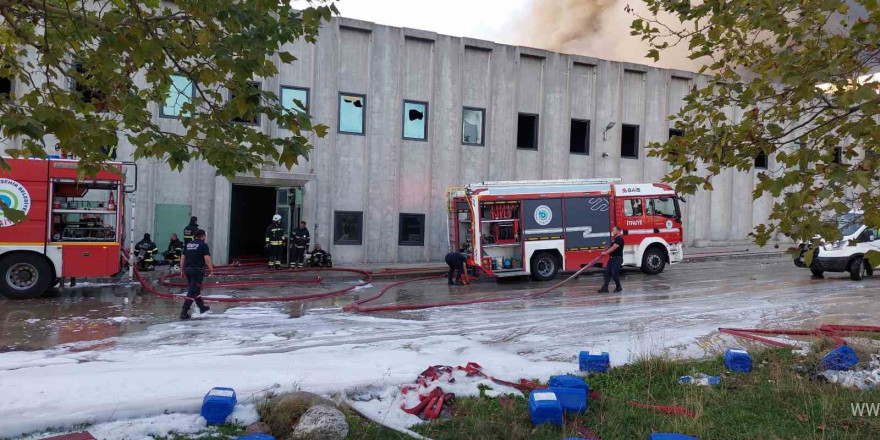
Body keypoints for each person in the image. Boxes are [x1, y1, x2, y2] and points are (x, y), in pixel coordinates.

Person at [179, 229, 213, 320]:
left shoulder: (188, 244)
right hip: (197, 271)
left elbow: (182, 258)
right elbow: (207, 259)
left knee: (195, 289)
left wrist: (182, 270)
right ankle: (184, 311)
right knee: (192, 290)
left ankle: (202, 307)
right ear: (202, 236)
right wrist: (211, 269)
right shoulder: (203, 245)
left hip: (188, 270)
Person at [598, 226, 625, 293]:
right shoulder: (614, 239)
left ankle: (619, 287)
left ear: (618, 231)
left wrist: (605, 253)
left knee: (614, 274)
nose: (612, 231)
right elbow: (610, 248)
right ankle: (605, 288)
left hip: (617, 259)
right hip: (612, 259)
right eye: (613, 230)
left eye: (614, 230)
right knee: (607, 273)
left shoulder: (619, 239)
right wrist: (605, 247)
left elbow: (613, 248)